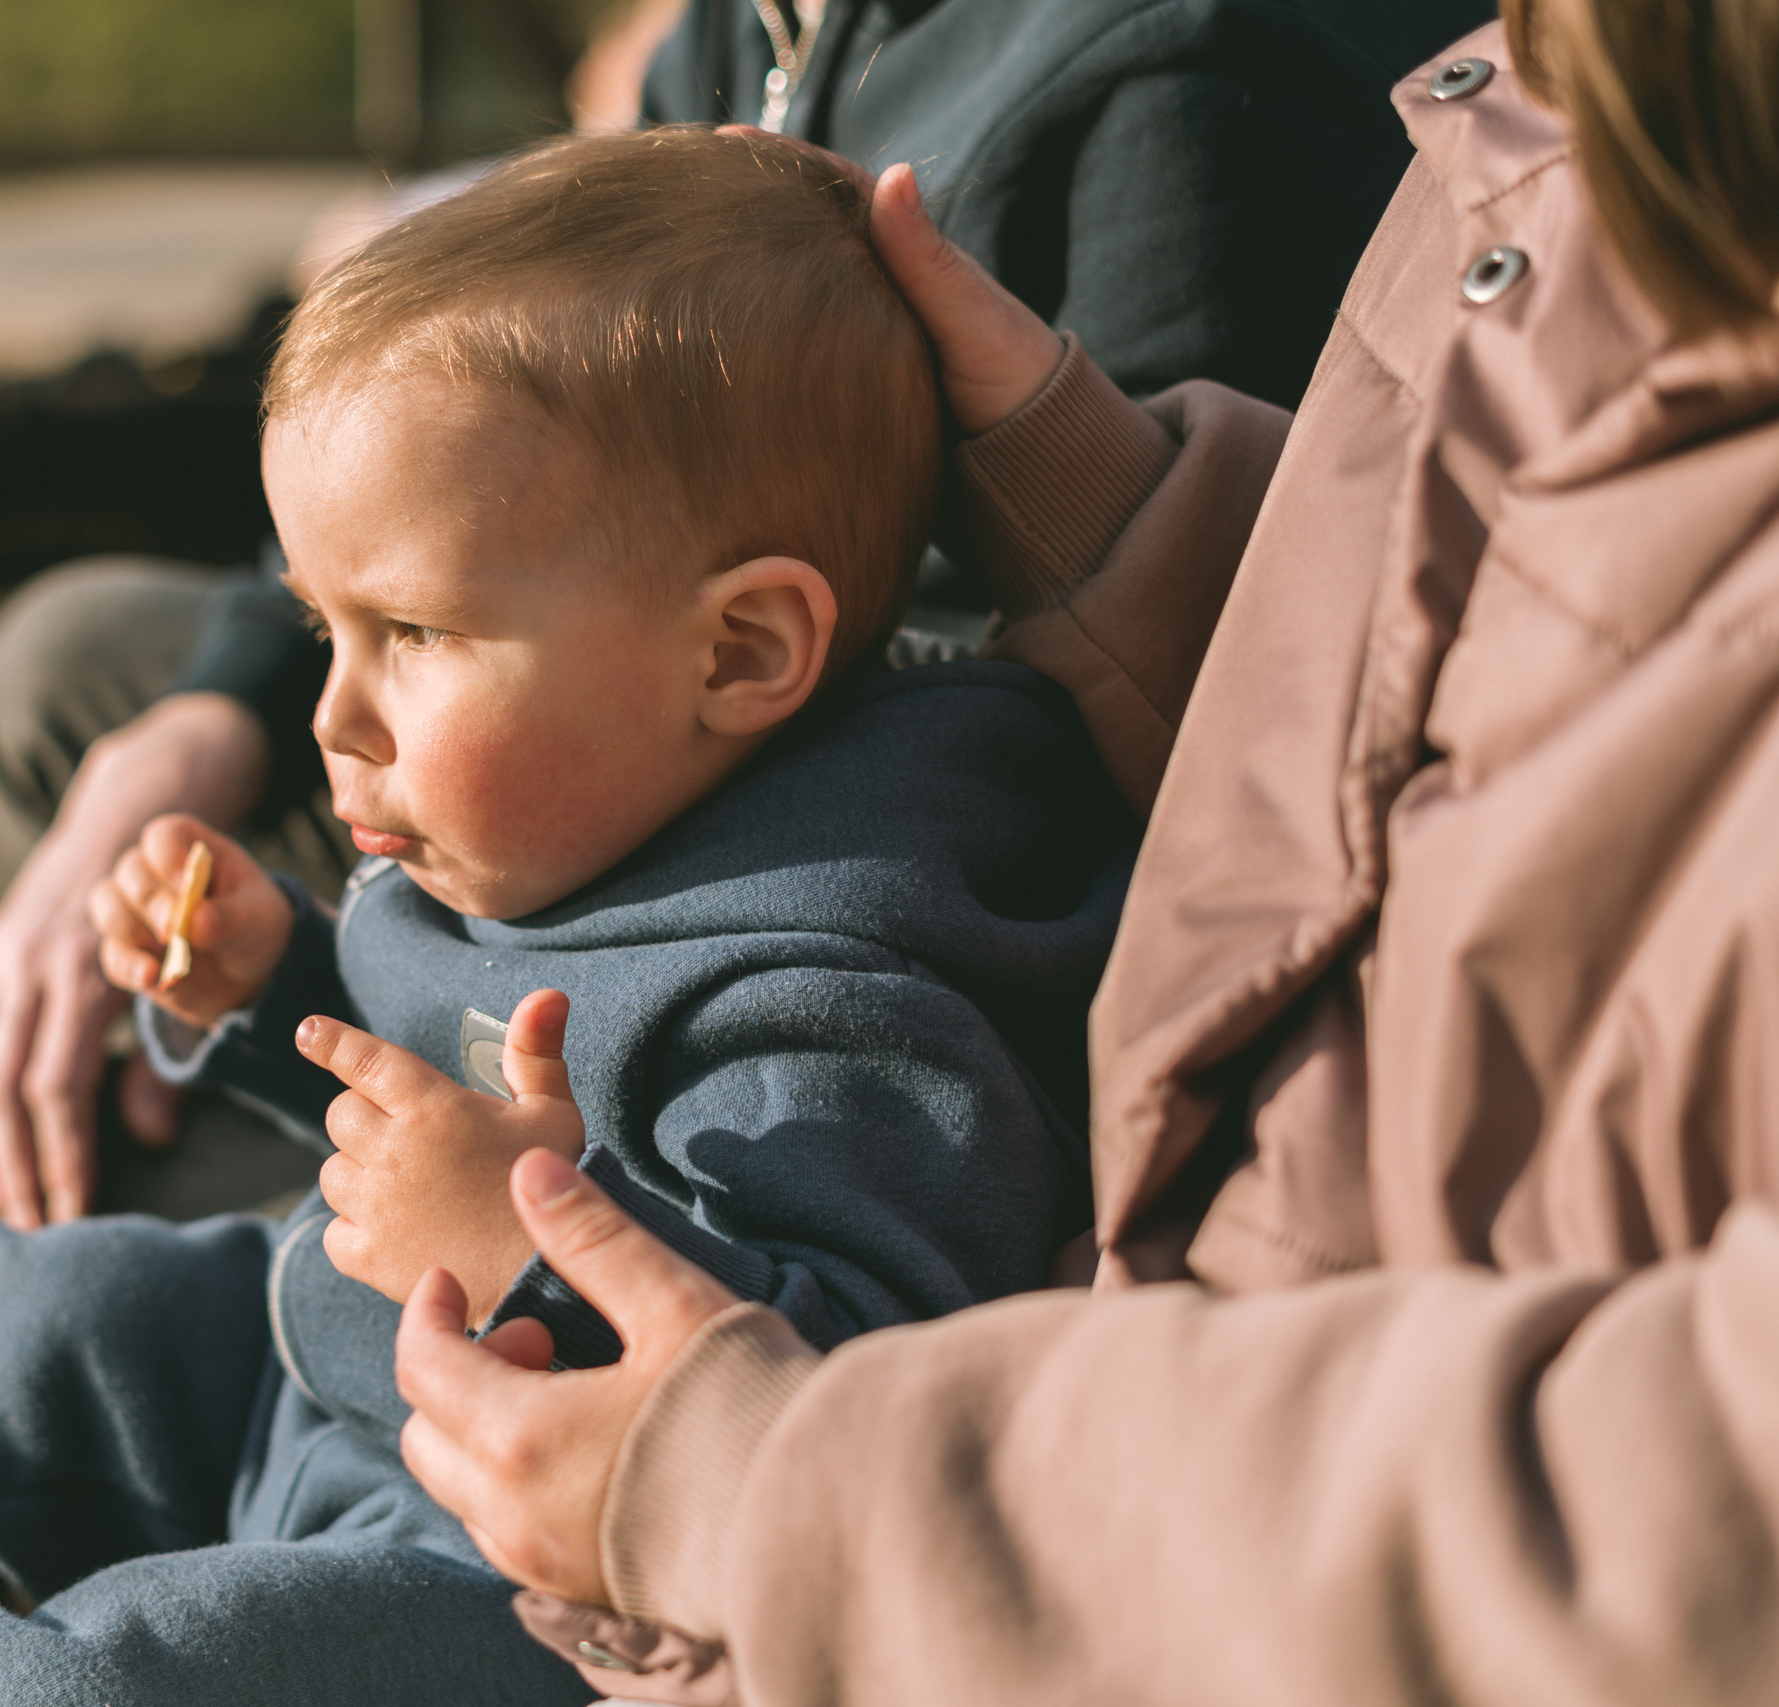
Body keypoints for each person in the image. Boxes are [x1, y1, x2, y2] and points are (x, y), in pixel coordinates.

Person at [0, 128, 1135, 1707]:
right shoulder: (613, 795)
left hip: (531, 1591)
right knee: (20, 1319)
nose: (335, 713)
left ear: (740, 649)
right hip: (335, 1393)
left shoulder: (850, 997)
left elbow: (827, 1411)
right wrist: (276, 979)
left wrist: (520, 1242)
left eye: (413, 636)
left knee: (148, 1670)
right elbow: (425, 1046)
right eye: (322, 627)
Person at [395, 6, 1779, 1703]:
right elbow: (1543, 670)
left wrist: (777, 1490)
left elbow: (1697, 1504)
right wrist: (1113, 500)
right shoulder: (1550, 98)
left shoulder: (1212, 70)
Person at [0, 0, 1494, 1324]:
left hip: (787, 900)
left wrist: (514, 1201)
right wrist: (204, 730)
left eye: (387, 649)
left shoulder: (1184, 89)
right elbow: (453, 443)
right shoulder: (775, 24)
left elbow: (1200, 802)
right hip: (679, 717)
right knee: (89, 670)